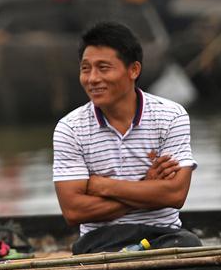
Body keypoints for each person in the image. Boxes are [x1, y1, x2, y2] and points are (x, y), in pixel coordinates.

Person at [53, 21, 201, 254]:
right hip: (99, 240)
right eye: (85, 68)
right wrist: (147, 187)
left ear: (133, 70)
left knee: (189, 245)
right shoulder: (70, 128)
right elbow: (74, 212)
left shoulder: (171, 116)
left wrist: (102, 185)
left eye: (103, 68)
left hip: (163, 235)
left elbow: (175, 194)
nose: (92, 79)